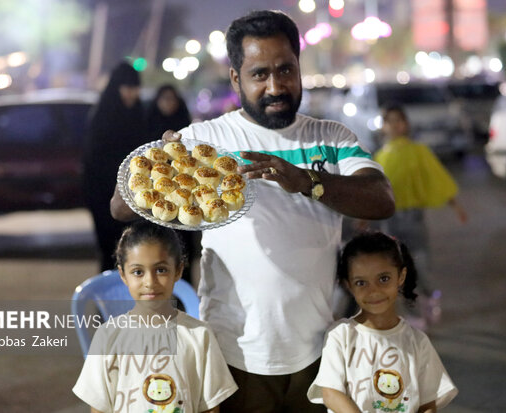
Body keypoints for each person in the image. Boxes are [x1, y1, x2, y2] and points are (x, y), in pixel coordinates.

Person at [111, 10, 395, 412]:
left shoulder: (331, 138)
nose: (275, 86)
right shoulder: (207, 141)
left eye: (285, 70)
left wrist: (309, 183)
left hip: (318, 349)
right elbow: (120, 208)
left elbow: (381, 197)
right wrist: (160, 164)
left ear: (299, 68)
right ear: (236, 78)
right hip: (233, 352)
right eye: (260, 74)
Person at [73, 221, 237, 413]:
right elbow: (99, 407)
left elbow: (210, 407)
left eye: (160, 270)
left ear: (178, 270)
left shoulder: (199, 335)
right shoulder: (108, 337)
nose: (150, 282)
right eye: (138, 272)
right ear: (123, 275)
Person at [307, 231, 458, 412]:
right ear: (348, 285)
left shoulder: (418, 341)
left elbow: (427, 403)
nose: (374, 291)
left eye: (383, 279)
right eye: (361, 283)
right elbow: (331, 393)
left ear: (400, 277)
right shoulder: (340, 335)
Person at [374, 104, 467, 328]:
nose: (395, 125)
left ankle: (429, 297)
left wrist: (455, 205)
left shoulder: (418, 151)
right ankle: (413, 314)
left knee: (421, 266)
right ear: (383, 127)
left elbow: (437, 177)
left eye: (399, 120)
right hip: (389, 222)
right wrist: (363, 217)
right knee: (397, 269)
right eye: (390, 121)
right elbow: (374, 191)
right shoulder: (379, 157)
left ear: (405, 124)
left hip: (414, 219)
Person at [83, 61, 149, 272]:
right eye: (127, 88)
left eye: (135, 88)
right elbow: (93, 159)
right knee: (110, 250)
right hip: (104, 195)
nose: (131, 93)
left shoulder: (139, 114)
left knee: (134, 252)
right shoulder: (103, 116)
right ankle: (107, 301)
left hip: (134, 194)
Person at [146, 84, 200, 284]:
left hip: (185, 203)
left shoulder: (186, 132)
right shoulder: (148, 127)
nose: (168, 104)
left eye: (172, 99)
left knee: (181, 254)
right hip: (156, 204)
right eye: (164, 99)